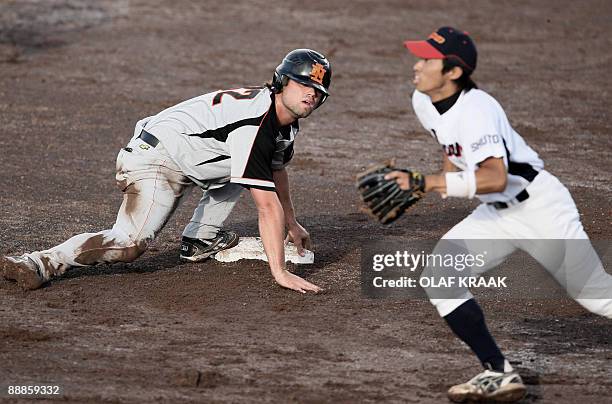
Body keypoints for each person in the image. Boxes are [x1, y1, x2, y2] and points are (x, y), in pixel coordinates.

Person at [386, 27, 612, 402]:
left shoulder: (479, 109)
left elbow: (494, 176)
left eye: (427, 60)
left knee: (597, 297)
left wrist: (428, 183)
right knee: (441, 275)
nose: (417, 65)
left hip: (540, 210)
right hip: (497, 213)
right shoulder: (423, 101)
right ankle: (499, 373)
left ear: (453, 72)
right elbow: (453, 154)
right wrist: (439, 180)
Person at [1, 49, 330, 294]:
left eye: (317, 91)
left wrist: (293, 222)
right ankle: (39, 262)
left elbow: (275, 170)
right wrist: (280, 272)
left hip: (186, 153)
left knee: (252, 168)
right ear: (282, 82)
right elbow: (265, 204)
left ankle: (199, 239)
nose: (311, 94)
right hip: (155, 158)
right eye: (303, 85)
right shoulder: (257, 123)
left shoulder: (284, 124)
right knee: (129, 244)